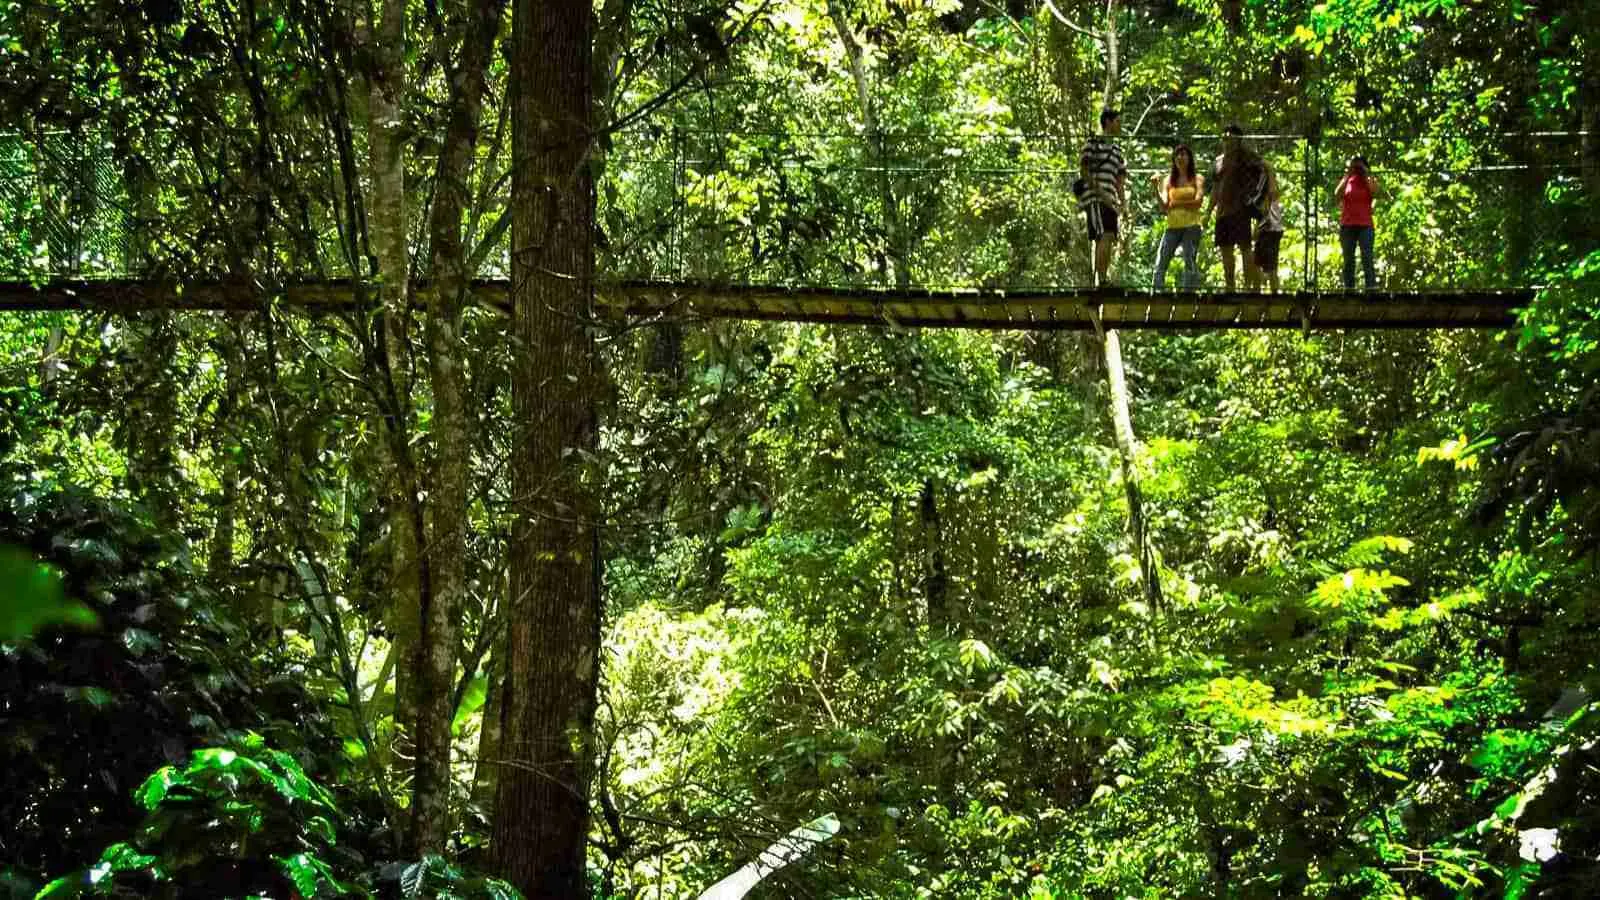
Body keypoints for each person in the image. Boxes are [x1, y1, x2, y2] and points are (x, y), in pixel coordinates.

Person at [1203, 124, 1267, 291]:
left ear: (1238, 139)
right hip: (1222, 213)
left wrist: (1258, 200)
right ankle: (1230, 287)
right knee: (1225, 249)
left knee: (1245, 247)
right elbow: (1216, 189)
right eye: (1224, 137)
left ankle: (1248, 287)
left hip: (1241, 210)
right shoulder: (1218, 161)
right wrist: (1208, 212)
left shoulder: (1246, 158)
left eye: (1230, 137)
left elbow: (1263, 170)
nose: (1226, 140)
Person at [1079, 108, 1127, 286]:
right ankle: (1101, 281)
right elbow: (1083, 170)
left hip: (1111, 202)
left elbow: (1119, 181)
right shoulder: (1092, 143)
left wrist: (1123, 205)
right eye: (1117, 121)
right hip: (1096, 199)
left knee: (1109, 238)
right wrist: (1101, 192)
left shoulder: (1117, 151)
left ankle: (1103, 279)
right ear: (1107, 121)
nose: (1120, 125)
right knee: (1103, 236)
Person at [1151, 143, 1204, 290]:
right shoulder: (1168, 181)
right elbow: (1164, 207)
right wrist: (1155, 188)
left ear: (1189, 158)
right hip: (1172, 226)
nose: (1181, 157)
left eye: (1184, 154)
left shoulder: (1197, 178)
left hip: (1192, 226)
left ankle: (1189, 294)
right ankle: (1157, 292)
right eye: (1178, 154)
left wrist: (1176, 203)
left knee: (1189, 260)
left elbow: (1198, 202)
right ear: (1174, 159)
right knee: (1162, 259)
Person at [1334, 155, 1381, 289]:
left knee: (1367, 257)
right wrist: (1348, 174)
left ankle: (1370, 287)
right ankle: (1349, 289)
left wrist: (1366, 173)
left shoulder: (1369, 180)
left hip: (1365, 225)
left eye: (1359, 166)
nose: (1357, 169)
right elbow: (1337, 195)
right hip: (1347, 225)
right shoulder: (1347, 180)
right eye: (1355, 166)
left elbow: (1376, 192)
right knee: (1348, 260)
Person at [1253, 167, 1285, 294]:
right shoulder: (1259, 190)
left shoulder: (1273, 189)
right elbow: (1260, 212)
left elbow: (1273, 193)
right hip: (1263, 230)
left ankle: (1275, 293)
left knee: (1272, 267)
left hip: (1273, 230)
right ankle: (1256, 292)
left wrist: (1269, 171)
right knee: (1257, 263)